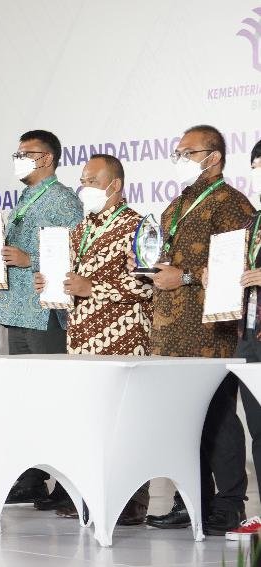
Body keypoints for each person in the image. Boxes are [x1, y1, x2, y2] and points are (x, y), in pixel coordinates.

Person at [142, 125, 254, 537]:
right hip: (170, 329)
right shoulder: (176, 204)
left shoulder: (232, 204)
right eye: (177, 152)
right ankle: (191, 499)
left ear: (215, 156)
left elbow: (233, 268)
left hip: (209, 330)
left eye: (188, 152)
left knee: (218, 415)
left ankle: (229, 504)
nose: (180, 159)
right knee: (183, 419)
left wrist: (185, 277)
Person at [33, 154, 152, 525]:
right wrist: (49, 283)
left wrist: (93, 287)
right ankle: (89, 496)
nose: (84, 187)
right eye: (82, 180)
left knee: (125, 422)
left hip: (123, 338)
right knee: (89, 421)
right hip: (82, 337)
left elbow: (146, 285)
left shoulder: (137, 226)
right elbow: (70, 279)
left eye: (93, 181)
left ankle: (131, 501)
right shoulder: (81, 228)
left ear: (115, 185)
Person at [0, 130, 82, 508]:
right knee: (28, 401)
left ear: (48, 158)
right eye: (17, 153)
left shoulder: (63, 200)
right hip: (16, 309)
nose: (19, 159)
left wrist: (28, 260)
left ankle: (67, 482)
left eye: (27, 153)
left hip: (44, 312)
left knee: (52, 399)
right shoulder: (26, 197)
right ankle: (34, 476)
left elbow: (74, 252)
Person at [212, 138, 261, 541]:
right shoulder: (252, 223)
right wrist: (216, 277)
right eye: (258, 169)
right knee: (259, 429)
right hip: (250, 335)